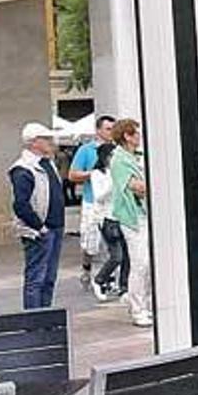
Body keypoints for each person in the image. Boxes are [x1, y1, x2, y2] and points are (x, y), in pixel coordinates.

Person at [8, 122, 66, 309]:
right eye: (46, 139)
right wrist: (39, 227)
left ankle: (45, 317)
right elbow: (20, 204)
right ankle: (34, 322)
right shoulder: (23, 168)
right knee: (36, 278)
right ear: (33, 142)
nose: (51, 142)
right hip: (40, 230)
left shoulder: (47, 163)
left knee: (49, 278)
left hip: (55, 226)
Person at [110, 119, 152, 327]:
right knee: (140, 263)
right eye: (136, 133)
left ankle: (144, 303)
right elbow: (136, 187)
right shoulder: (119, 160)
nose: (139, 137)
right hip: (132, 217)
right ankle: (138, 307)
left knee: (147, 263)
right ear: (127, 136)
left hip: (145, 214)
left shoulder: (135, 157)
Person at [69, 115, 116, 291]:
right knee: (90, 242)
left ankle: (107, 277)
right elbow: (73, 175)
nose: (111, 132)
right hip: (92, 201)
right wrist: (95, 173)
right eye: (108, 129)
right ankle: (86, 267)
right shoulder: (86, 150)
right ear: (98, 130)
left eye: (113, 128)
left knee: (112, 241)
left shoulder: (117, 149)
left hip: (112, 203)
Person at [91, 143, 128, 300]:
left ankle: (124, 287)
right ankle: (99, 280)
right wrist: (114, 181)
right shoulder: (97, 174)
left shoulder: (121, 171)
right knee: (116, 255)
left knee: (127, 255)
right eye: (111, 155)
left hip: (123, 217)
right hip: (107, 218)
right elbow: (99, 196)